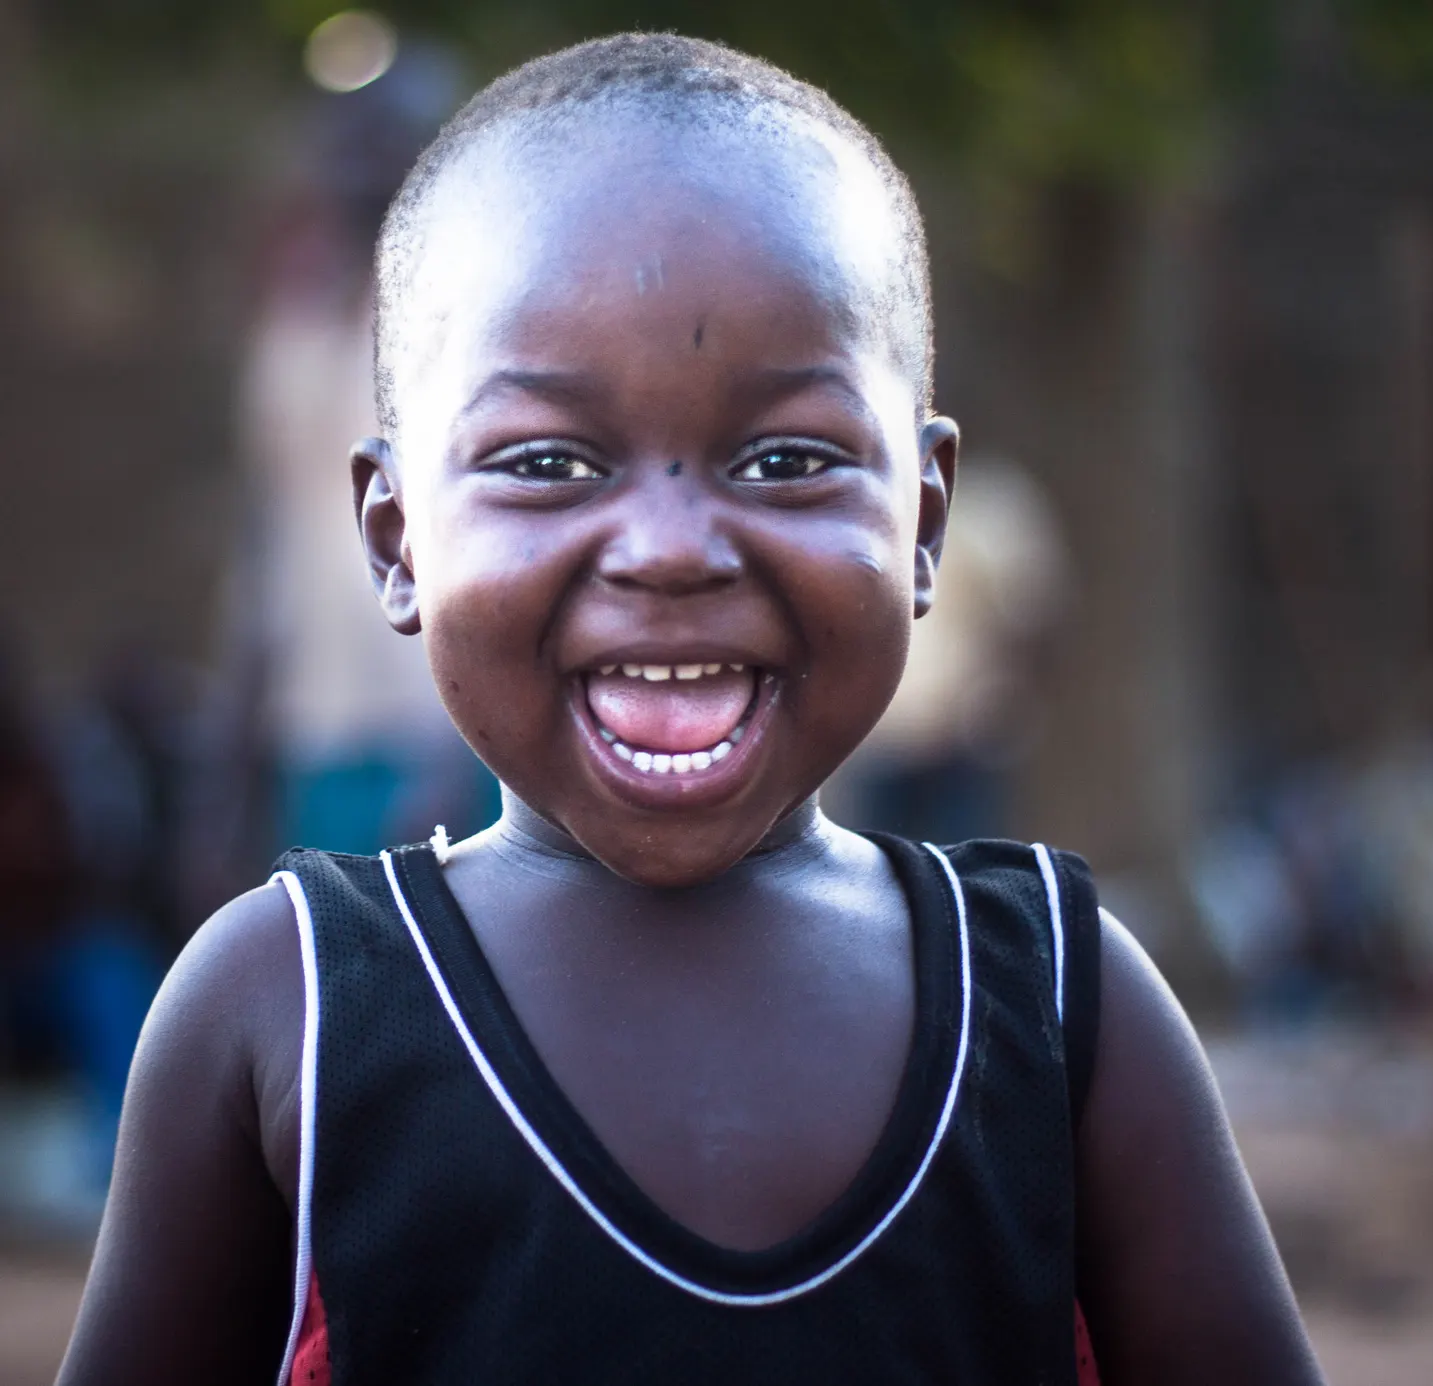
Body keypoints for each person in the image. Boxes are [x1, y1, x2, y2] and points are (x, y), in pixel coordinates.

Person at [57, 35, 1324, 1386]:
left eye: (787, 457)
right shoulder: (281, 1006)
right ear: (398, 537)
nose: (669, 546)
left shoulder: (1070, 1006)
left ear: (924, 519)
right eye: (546, 461)